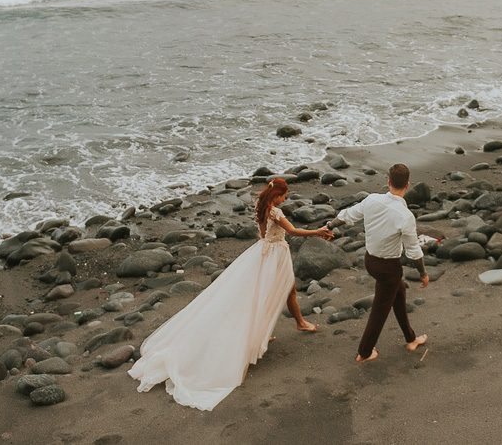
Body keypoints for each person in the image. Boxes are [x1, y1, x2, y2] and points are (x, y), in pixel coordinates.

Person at [129, 177, 334, 410]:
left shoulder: (262, 208)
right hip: (275, 255)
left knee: (264, 294)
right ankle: (299, 323)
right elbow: (293, 231)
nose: (286, 198)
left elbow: (264, 233)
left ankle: (276, 329)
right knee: (287, 292)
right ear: (277, 195)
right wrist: (318, 231)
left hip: (262, 253)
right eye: (284, 195)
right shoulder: (275, 211)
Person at [332, 162, 428, 363]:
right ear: (407, 185)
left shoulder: (372, 200)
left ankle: (411, 339)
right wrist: (422, 273)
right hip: (388, 268)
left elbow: (348, 215)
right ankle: (365, 352)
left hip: (370, 261)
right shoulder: (405, 216)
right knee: (380, 310)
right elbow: (413, 250)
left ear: (388, 182)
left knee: (399, 294)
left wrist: (329, 226)